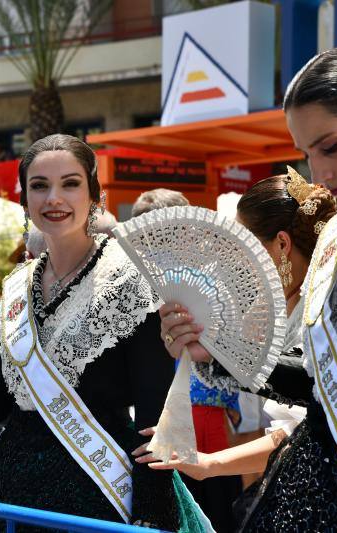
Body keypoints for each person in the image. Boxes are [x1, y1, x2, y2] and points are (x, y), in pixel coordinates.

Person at [145, 44, 337, 530]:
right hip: (307, 491)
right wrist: (217, 349)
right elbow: (321, 383)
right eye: (306, 155)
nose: (319, 175)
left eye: (331, 147)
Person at [0, 134, 208, 531]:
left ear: (94, 194)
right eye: (39, 186)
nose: (54, 198)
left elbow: (153, 420)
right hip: (4, 493)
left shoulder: (133, 279)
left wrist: (152, 514)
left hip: (98, 494)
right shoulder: (17, 285)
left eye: (70, 183)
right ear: (25, 200)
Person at [134, 170, 337, 523]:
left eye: (243, 245)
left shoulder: (320, 314)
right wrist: (207, 463)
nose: (235, 259)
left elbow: (302, 422)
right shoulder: (285, 310)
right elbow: (290, 431)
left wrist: (210, 463)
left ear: (282, 245)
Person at [131, 187, 243, 532]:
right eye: (146, 235)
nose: (155, 246)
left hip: (210, 418)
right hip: (154, 419)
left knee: (215, 511)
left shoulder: (216, 284)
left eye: (163, 232)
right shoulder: (129, 288)